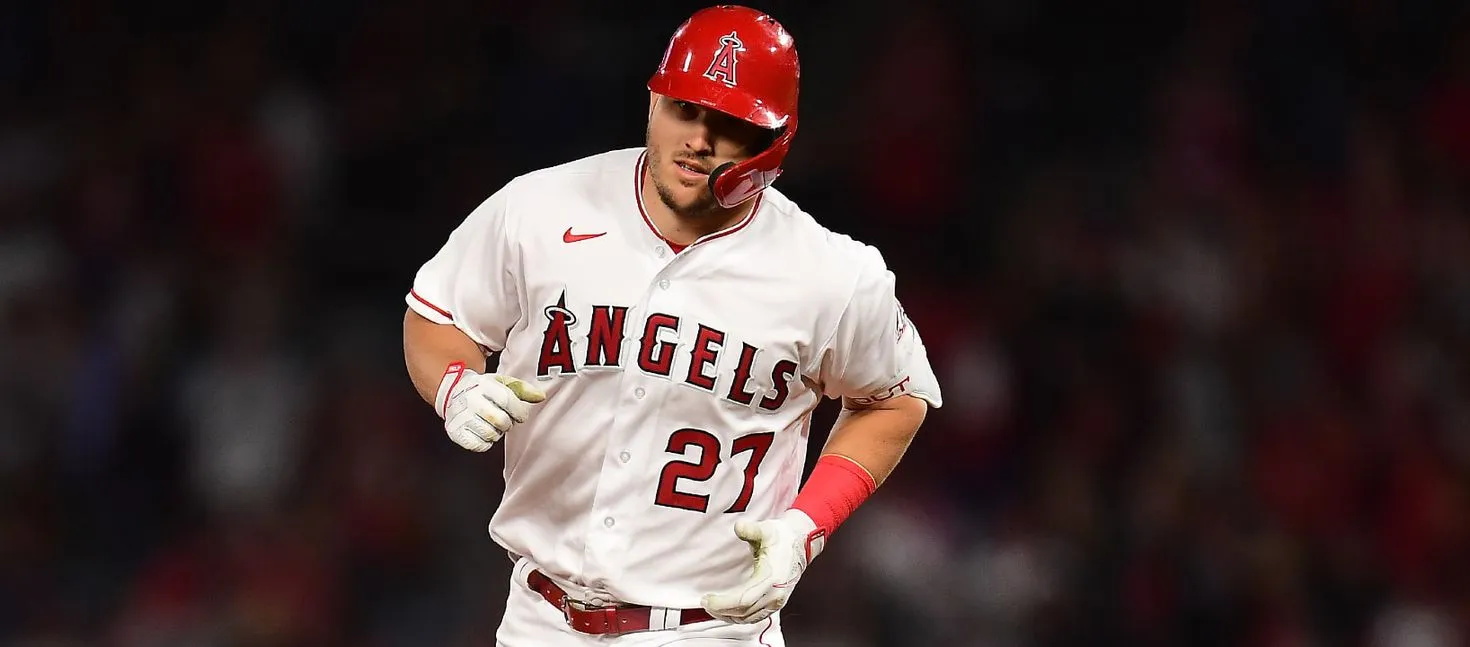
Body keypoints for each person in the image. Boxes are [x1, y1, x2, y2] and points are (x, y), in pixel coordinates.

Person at [401, 5, 943, 645]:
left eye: (729, 124)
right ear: (654, 101)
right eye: (685, 109)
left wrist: (807, 525)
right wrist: (457, 385)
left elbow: (896, 398)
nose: (698, 140)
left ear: (773, 142)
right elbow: (438, 315)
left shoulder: (831, 273)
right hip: (539, 618)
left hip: (711, 630)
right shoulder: (540, 207)